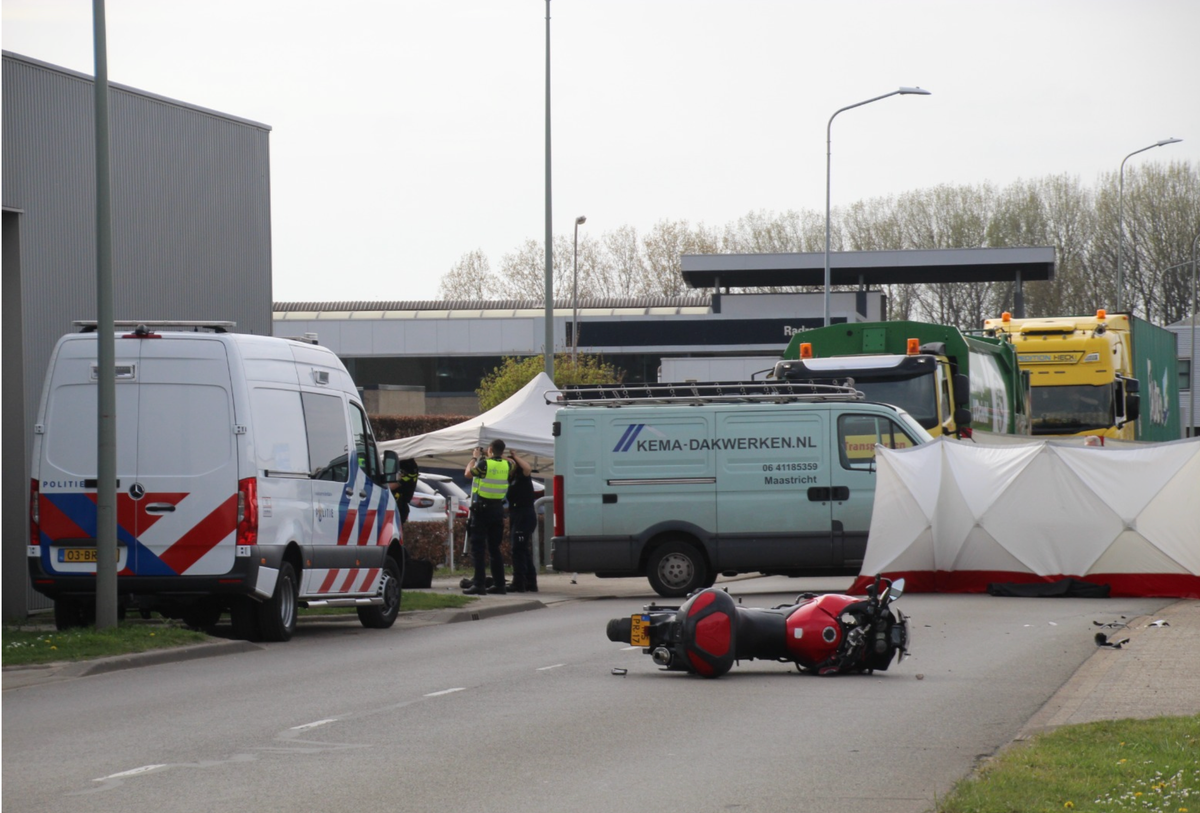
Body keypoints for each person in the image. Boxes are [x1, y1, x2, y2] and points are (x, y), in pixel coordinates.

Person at [463, 439, 511, 595]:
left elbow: (468, 473)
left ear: (489, 449)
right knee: (494, 548)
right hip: (498, 509)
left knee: (478, 548)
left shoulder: (485, 464)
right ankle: (499, 584)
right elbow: (506, 463)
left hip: (482, 510)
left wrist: (475, 458)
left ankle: (479, 584)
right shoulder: (508, 465)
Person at [505, 449, 539, 593]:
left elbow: (527, 468)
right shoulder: (510, 479)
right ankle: (530, 582)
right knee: (522, 549)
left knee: (518, 549)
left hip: (524, 515)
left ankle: (518, 582)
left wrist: (514, 456)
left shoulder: (523, 476)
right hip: (516, 515)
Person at [390, 458, 420, 524]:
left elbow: (391, 487)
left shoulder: (408, 468)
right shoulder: (411, 466)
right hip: (400, 505)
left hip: (398, 506)